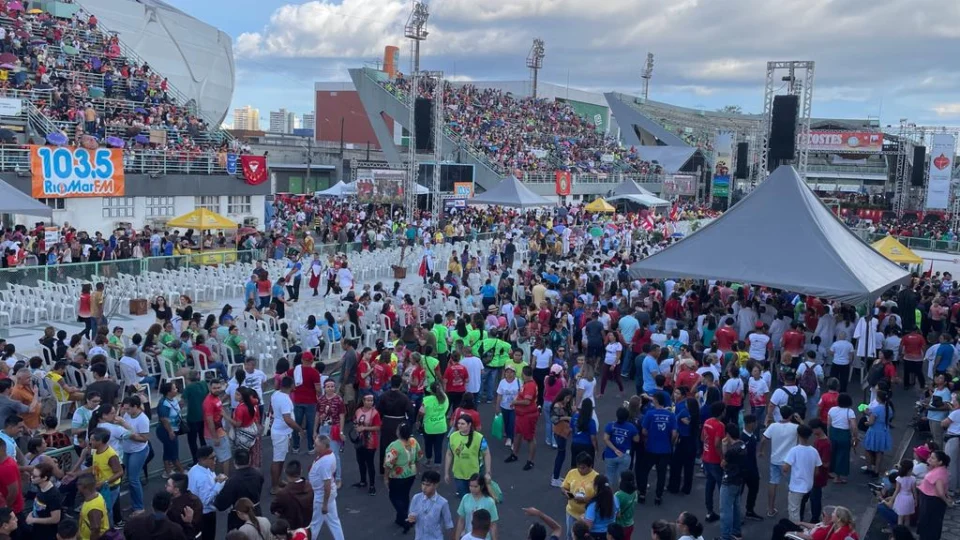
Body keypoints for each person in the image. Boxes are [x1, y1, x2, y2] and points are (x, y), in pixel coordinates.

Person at [761, 405, 800, 518]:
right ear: (791, 415)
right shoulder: (795, 427)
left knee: (773, 483)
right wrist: (800, 420)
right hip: (789, 461)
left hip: (775, 459)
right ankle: (792, 509)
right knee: (792, 486)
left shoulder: (773, 426)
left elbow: (764, 439)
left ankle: (770, 508)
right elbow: (806, 431)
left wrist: (761, 451)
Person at [383, 422, 423, 531]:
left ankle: (405, 517)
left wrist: (386, 478)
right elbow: (419, 456)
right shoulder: (414, 442)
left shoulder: (394, 446)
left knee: (394, 496)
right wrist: (417, 471)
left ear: (399, 432)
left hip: (397, 476)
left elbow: (388, 464)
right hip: (411, 473)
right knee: (404, 495)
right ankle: (400, 518)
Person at [214, 448, 265, 531]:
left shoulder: (232, 481)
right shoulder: (258, 474)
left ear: (234, 462)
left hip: (238, 518)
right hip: (256, 513)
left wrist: (218, 486)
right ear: (250, 460)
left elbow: (220, 504)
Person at [639, 392, 676, 505]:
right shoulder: (671, 415)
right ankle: (658, 497)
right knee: (661, 473)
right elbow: (674, 433)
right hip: (665, 449)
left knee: (644, 471)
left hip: (651, 448)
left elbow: (644, 431)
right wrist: (670, 443)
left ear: (655, 400)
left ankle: (642, 494)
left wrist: (647, 439)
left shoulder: (650, 414)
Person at [270, 377, 305, 492]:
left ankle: (278, 481)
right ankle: (275, 487)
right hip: (281, 433)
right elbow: (287, 419)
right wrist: (299, 429)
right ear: (291, 385)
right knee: (277, 459)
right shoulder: (285, 399)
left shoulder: (275, 394)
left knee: (280, 458)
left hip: (280, 431)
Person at [445, 414, 492, 497]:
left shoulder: (479, 438)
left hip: (475, 473)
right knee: (464, 497)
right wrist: (446, 473)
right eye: (459, 423)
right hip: (459, 473)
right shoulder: (453, 436)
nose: (460, 426)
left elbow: (486, 454)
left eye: (463, 424)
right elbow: (449, 454)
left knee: (476, 497)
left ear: (469, 424)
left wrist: (488, 472)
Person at [783, 424, 822, 523]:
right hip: (809, 485)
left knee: (794, 512)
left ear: (798, 434)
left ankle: (795, 533)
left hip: (796, 487)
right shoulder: (814, 451)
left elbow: (785, 468)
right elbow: (817, 471)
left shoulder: (794, 450)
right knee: (802, 506)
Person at [188, 446, 227, 540]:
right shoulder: (203, 478)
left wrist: (215, 480)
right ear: (202, 459)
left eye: (215, 457)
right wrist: (219, 484)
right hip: (206, 514)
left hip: (197, 510)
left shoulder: (195, 469)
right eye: (212, 458)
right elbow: (205, 501)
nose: (215, 460)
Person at [309, 434, 344, 540]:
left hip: (321, 496)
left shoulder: (325, 462)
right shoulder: (329, 455)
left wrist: (324, 504)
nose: (314, 447)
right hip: (327, 495)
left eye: (317, 445)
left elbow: (327, 485)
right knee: (334, 521)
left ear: (324, 446)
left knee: (315, 524)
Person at [121, 395, 151, 513]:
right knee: (130, 478)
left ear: (136, 407)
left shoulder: (143, 419)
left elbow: (144, 438)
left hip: (138, 450)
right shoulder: (127, 415)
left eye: (128, 409)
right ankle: (135, 503)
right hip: (128, 450)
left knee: (133, 478)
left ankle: (139, 507)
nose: (126, 411)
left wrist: (130, 434)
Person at [506, 365, 540, 470]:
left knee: (530, 438)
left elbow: (527, 401)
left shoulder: (530, 386)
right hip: (521, 415)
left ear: (523, 374)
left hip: (528, 416)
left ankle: (530, 461)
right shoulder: (527, 384)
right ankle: (514, 454)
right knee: (518, 434)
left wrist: (514, 402)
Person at [800, 419, 832, 523]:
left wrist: (813, 462)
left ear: (819, 428)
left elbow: (826, 463)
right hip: (812, 474)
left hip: (818, 475)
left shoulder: (825, 443)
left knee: (814, 498)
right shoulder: (818, 440)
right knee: (809, 497)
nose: (812, 431)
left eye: (813, 429)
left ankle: (814, 519)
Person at [408, 470, 455, 540]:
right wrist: (411, 519)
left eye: (428, 485)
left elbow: (448, 524)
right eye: (423, 484)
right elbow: (411, 515)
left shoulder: (443, 503)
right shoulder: (416, 498)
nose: (424, 487)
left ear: (436, 485)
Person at [122, 491, 189, 540]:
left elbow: (127, 533)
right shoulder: (175, 530)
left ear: (152, 504)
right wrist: (188, 524)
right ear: (169, 506)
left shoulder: (134, 523)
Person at [917, 450, 953, 540]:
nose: (930, 459)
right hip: (928, 499)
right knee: (929, 523)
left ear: (940, 462)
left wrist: (947, 501)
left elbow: (940, 491)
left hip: (932, 501)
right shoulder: (938, 469)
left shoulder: (939, 473)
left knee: (929, 525)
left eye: (933, 458)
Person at [562, 452, 598, 540]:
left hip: (587, 516)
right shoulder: (572, 472)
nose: (580, 470)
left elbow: (599, 498)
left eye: (583, 468)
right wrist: (567, 493)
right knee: (570, 536)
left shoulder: (596, 477)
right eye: (578, 467)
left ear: (590, 466)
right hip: (571, 512)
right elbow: (564, 487)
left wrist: (585, 500)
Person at [719, 422, 746, 540]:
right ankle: (736, 532)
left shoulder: (731, 450)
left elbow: (723, 464)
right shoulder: (742, 445)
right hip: (739, 480)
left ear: (728, 434)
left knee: (725, 510)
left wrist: (724, 447)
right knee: (736, 507)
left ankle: (725, 536)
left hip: (729, 481)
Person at [270, 460, 313, 531]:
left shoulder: (283, 493)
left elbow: (274, 509)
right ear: (301, 471)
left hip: (291, 528)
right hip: (306, 527)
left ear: (285, 472)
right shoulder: (309, 487)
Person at [701, 401, 726, 522]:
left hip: (706, 457)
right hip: (715, 460)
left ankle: (709, 511)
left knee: (709, 485)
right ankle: (725, 511)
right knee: (723, 486)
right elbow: (717, 444)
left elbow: (702, 438)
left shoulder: (707, 422)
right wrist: (722, 457)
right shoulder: (720, 425)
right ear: (721, 412)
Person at [454, 474, 499, 540]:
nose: (472, 489)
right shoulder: (466, 498)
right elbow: (461, 520)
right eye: (470, 486)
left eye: (475, 486)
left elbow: (493, 525)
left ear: (482, 486)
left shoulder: (490, 502)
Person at [353, 393, 382, 494]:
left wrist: (365, 428)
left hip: (370, 441)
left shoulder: (375, 413)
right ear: (363, 401)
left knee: (369, 463)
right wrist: (356, 427)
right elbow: (355, 421)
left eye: (371, 400)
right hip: (360, 440)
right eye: (368, 400)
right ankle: (363, 481)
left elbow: (378, 427)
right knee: (360, 461)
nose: (370, 402)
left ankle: (372, 485)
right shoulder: (358, 411)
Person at [603, 406, 639, 486]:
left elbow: (606, 439)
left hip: (610, 455)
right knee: (622, 478)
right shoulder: (631, 427)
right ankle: (622, 495)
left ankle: (606, 496)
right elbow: (636, 439)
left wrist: (615, 449)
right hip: (624, 455)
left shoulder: (610, 425)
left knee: (609, 477)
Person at [203, 379, 232, 474]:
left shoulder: (216, 398)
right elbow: (209, 421)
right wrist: (215, 437)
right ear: (210, 388)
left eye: (219, 387)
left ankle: (218, 478)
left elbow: (220, 412)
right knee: (225, 458)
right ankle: (225, 480)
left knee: (218, 458)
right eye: (214, 388)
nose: (217, 390)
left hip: (220, 431)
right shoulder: (208, 402)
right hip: (216, 434)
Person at [28, 461, 63, 540]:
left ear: (44, 478)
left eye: (35, 476)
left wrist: (33, 520)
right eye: (32, 474)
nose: (31, 478)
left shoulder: (53, 495)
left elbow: (55, 519)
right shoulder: (40, 486)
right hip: (38, 527)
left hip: (47, 533)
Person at [156, 382, 184, 478]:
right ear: (168, 392)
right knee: (173, 452)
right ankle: (182, 472)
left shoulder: (173, 399)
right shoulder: (164, 403)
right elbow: (164, 419)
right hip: (166, 431)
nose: (176, 390)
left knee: (168, 450)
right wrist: (170, 431)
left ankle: (168, 471)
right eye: (174, 388)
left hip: (173, 429)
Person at [864, 390, 894, 477]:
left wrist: (866, 422)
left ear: (878, 398)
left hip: (874, 431)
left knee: (868, 449)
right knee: (879, 452)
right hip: (884, 431)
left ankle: (869, 468)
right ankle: (876, 470)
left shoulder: (876, 409)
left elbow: (871, 422)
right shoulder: (889, 408)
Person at [420, 382, 449, 468]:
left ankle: (428, 461)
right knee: (438, 446)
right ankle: (437, 464)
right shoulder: (445, 398)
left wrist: (418, 421)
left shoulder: (426, 400)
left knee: (428, 444)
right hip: (441, 426)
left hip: (429, 427)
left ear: (431, 391)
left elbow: (421, 412)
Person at [165, 473, 203, 539]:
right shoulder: (196, 500)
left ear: (176, 490)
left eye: (168, 485)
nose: (165, 486)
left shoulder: (173, 508)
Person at [182, 371, 209, 463]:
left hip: (192, 418)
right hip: (204, 416)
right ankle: (206, 457)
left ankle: (196, 460)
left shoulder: (189, 387)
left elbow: (182, 401)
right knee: (203, 438)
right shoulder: (204, 383)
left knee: (192, 441)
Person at [583, 474, 619, 538]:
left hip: (596, 534)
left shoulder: (593, 505)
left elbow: (588, 526)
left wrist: (582, 518)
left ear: (596, 487)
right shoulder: (615, 498)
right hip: (610, 533)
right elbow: (618, 514)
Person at [76, 473, 107, 540]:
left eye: (78, 484)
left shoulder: (93, 508)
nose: (77, 486)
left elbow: (96, 529)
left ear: (84, 487)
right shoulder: (96, 495)